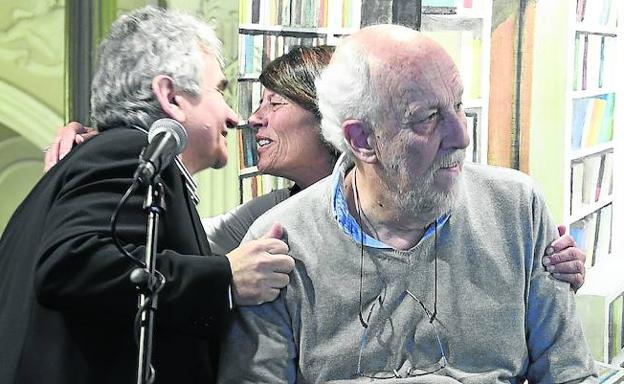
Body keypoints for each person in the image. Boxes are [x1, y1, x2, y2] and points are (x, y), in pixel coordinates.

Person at [217, 24, 597, 383]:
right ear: (363, 140)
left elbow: (569, 373)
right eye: (428, 118)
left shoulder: (517, 209)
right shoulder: (280, 244)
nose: (462, 136)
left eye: (458, 105)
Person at [45, 46, 588, 290]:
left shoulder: (451, 195)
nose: (249, 120)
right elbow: (190, 244)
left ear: (331, 122)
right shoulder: (272, 217)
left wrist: (545, 256)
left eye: (273, 104)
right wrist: (109, 138)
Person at [0, 6, 295, 384]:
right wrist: (223, 279)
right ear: (171, 96)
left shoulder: (104, 157)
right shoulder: (126, 152)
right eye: (219, 91)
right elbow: (72, 264)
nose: (234, 117)